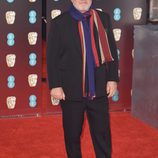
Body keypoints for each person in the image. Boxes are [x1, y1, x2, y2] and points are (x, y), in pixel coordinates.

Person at [46, 0, 119, 157]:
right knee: (72, 135)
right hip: (71, 90)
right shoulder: (59, 23)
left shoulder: (103, 19)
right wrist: (55, 85)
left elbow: (112, 50)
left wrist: (112, 78)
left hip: (99, 89)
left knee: (102, 134)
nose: (83, 0)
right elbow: (52, 57)